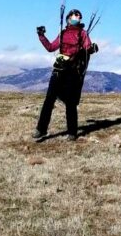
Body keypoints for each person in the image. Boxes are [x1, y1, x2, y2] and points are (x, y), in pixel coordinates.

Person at [33, 9, 96, 141]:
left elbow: (87, 48)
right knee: (49, 99)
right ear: (68, 18)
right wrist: (41, 36)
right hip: (59, 70)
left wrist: (91, 49)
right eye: (75, 15)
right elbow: (51, 47)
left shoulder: (82, 33)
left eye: (79, 16)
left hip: (72, 71)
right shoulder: (63, 33)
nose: (77, 17)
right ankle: (41, 129)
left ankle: (72, 132)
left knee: (71, 103)